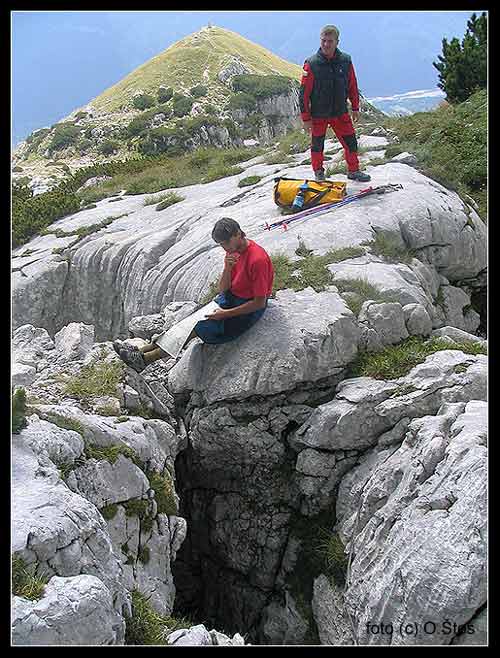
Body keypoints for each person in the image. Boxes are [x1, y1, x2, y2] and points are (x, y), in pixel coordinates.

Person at [114, 217, 274, 372]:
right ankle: (141, 351)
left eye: (226, 242)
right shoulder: (232, 252)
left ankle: (145, 360)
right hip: (231, 298)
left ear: (238, 234)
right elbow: (223, 289)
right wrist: (227, 268)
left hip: (248, 311)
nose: (225, 247)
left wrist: (225, 314)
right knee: (188, 321)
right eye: (221, 244)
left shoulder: (257, 259)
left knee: (198, 327)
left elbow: (259, 302)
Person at [299, 24, 371, 183]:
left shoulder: (346, 61)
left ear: (337, 41)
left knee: (351, 143)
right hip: (319, 114)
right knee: (317, 146)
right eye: (323, 40)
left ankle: (353, 171)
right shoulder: (311, 64)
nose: (326, 44)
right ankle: (318, 172)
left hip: (340, 112)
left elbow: (352, 85)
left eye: (329, 41)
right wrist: (305, 118)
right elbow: (303, 94)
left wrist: (355, 107)